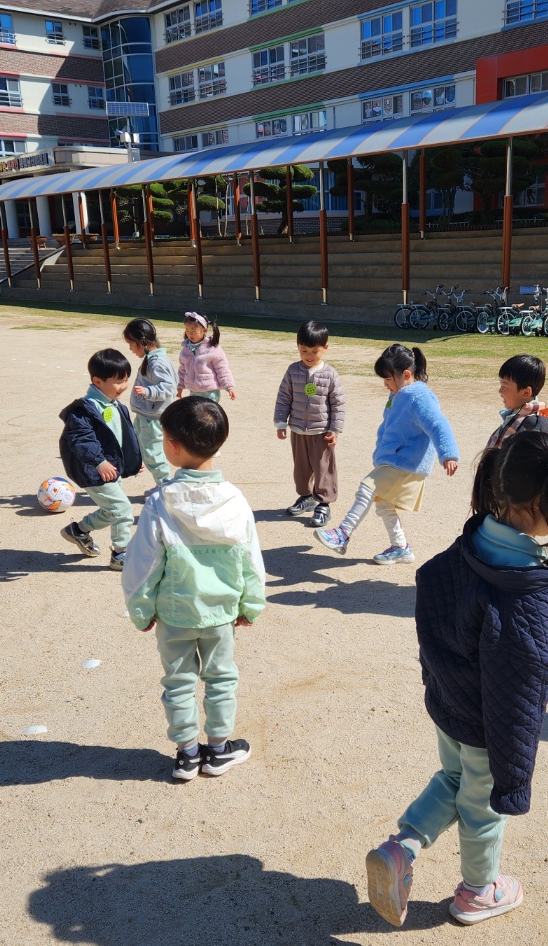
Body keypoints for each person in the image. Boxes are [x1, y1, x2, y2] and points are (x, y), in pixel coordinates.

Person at [365, 429, 548, 927]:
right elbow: (523, 683)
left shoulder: (470, 544)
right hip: (487, 721)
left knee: (454, 778)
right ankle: (478, 892)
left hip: (449, 705)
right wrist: (514, 774)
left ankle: (401, 848)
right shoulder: (522, 592)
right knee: (483, 806)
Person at [121, 397, 266, 781]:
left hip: (175, 612)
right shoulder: (235, 499)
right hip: (221, 613)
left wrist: (141, 609)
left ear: (171, 446)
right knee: (221, 679)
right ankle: (218, 750)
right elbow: (251, 560)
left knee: (179, 682)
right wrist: (250, 604)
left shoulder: (159, 502)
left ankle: (186, 755)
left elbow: (142, 565)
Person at [314, 344, 458, 565]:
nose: (385, 384)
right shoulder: (400, 394)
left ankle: (343, 533)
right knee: (384, 505)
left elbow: (438, 425)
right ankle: (401, 548)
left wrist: (448, 454)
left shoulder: (419, 397)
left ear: (406, 375)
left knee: (367, 487)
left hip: (404, 462)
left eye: (389, 379)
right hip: (394, 460)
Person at [58, 349, 142, 570]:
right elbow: (81, 439)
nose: (124, 386)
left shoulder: (115, 405)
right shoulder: (83, 410)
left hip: (111, 468)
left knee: (111, 510)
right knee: (123, 510)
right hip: (93, 470)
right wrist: (98, 462)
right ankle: (120, 554)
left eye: (126, 380)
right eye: (118, 381)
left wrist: (134, 459)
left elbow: (124, 437)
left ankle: (78, 530)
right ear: (97, 381)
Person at [275, 319, 345, 529]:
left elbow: (338, 403)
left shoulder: (330, 374)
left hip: (321, 431)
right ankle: (306, 497)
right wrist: (281, 422)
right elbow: (284, 397)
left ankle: (323, 504)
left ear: (325, 348)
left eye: (314, 351)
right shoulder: (292, 371)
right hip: (298, 429)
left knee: (323, 469)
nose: (308, 356)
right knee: (301, 469)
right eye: (303, 350)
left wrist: (335, 429)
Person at [125, 317, 177, 486]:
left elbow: (168, 388)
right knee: (137, 444)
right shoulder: (153, 359)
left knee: (153, 454)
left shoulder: (157, 363)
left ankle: (164, 486)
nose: (130, 349)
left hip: (152, 419)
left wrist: (148, 391)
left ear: (142, 343)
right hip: (145, 415)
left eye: (131, 344)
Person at [488, 354, 548, 448]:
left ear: (526, 392)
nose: (500, 391)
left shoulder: (535, 427)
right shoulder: (517, 414)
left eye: (504, 387)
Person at [176, 312, 235, 403]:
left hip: (210, 393)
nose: (190, 334)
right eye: (187, 330)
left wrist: (229, 387)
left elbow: (222, 368)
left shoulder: (212, 348)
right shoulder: (186, 349)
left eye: (193, 330)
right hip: (193, 392)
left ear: (204, 330)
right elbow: (182, 369)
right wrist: (180, 386)